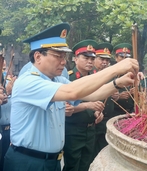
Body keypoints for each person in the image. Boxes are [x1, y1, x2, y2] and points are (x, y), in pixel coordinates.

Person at [3, 23, 139, 171]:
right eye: (58, 56)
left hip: (51, 162)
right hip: (28, 162)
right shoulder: (28, 81)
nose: (63, 61)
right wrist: (115, 68)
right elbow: (72, 92)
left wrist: (118, 83)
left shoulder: (56, 80)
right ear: (38, 56)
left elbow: (92, 94)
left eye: (64, 56)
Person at [63, 39, 104, 171]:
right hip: (73, 129)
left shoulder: (94, 79)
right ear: (75, 59)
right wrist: (88, 106)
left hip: (91, 129)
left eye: (92, 59)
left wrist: (97, 112)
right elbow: (65, 109)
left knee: (87, 164)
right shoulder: (68, 79)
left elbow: (95, 103)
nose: (90, 62)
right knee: (72, 165)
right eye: (86, 58)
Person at [91, 42, 118, 160]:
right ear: (94, 59)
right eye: (101, 59)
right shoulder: (90, 76)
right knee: (90, 154)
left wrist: (116, 96)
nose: (105, 62)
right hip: (93, 120)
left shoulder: (110, 76)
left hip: (106, 119)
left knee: (102, 152)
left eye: (107, 60)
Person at [112, 43, 135, 116]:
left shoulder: (133, 74)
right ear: (116, 58)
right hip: (114, 113)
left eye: (126, 58)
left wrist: (136, 93)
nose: (124, 60)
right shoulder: (110, 74)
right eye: (121, 57)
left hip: (131, 113)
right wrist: (118, 97)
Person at [0, 73, 16, 171]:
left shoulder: (10, 88)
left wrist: (9, 92)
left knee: (8, 161)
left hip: (10, 130)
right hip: (1, 130)